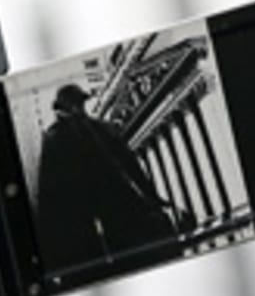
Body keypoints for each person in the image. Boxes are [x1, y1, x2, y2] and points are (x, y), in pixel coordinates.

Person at [30, 83, 180, 272]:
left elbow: (131, 166)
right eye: (74, 104)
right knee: (124, 256)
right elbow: (53, 189)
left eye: (81, 103)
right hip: (92, 213)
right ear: (62, 108)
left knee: (143, 251)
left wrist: (151, 195)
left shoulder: (101, 128)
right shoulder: (55, 138)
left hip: (122, 202)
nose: (79, 108)